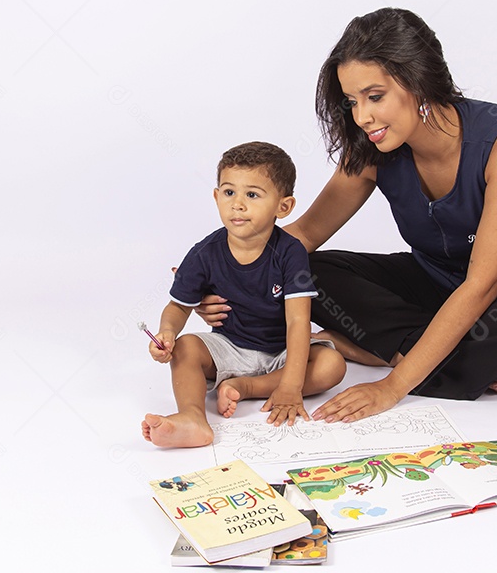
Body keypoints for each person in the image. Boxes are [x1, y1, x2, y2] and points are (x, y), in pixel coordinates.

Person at [192, 8, 497, 423]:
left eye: (374, 97)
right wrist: (220, 276)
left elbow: (483, 283)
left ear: (419, 80)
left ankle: (390, 352)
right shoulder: (372, 147)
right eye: (352, 102)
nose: (362, 117)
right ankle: (457, 360)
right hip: (434, 284)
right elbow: (304, 233)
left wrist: (392, 388)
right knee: (303, 267)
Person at [141, 142, 347, 448]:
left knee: (333, 365)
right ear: (216, 197)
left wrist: (292, 384)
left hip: (282, 351)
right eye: (228, 193)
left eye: (252, 194)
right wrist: (167, 333)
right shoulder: (204, 253)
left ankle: (247, 386)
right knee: (186, 348)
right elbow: (177, 307)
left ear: (283, 206)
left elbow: (298, 321)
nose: (237, 204)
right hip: (229, 346)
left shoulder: (289, 252)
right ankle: (193, 417)